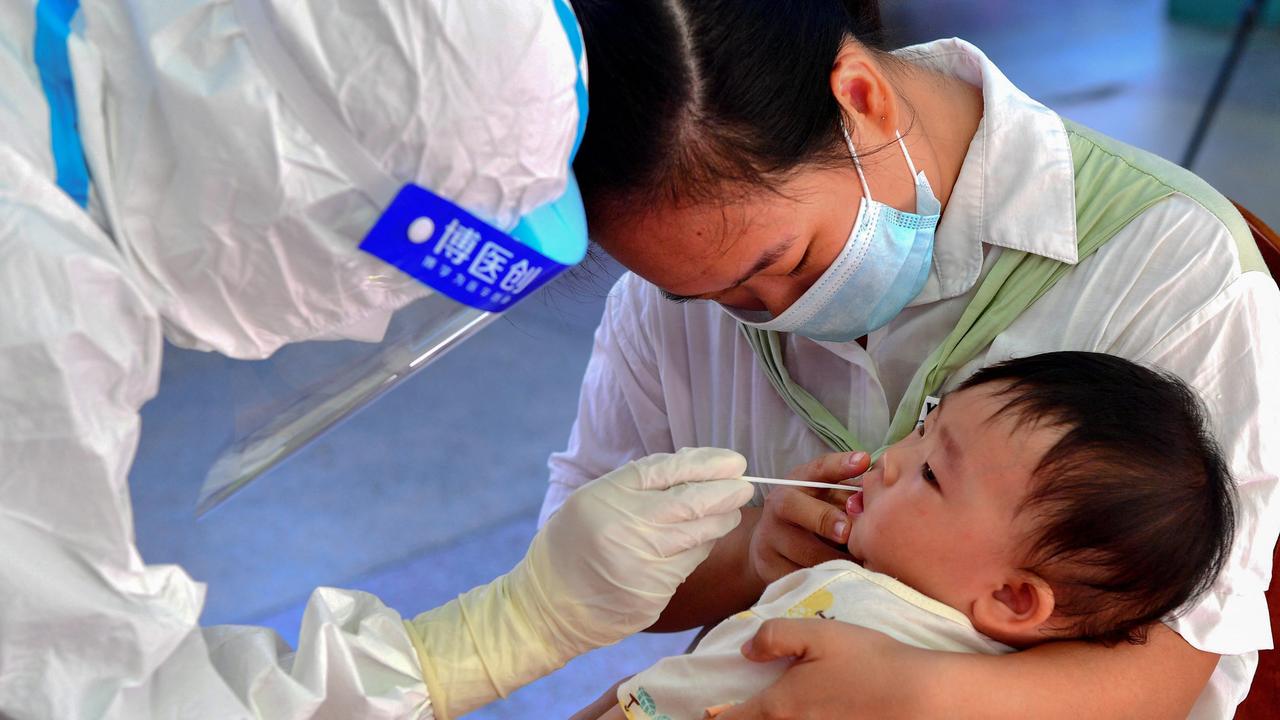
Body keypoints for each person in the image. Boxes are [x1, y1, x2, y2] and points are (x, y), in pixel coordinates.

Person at [1, 2, 758, 718]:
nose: (367, 324)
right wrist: (503, 633)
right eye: (382, 268)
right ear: (291, 175)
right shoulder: (33, 308)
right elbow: (87, 697)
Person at [546, 1, 1280, 716]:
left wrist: (919, 695)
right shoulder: (680, 291)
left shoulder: (1173, 268)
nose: (772, 312)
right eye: (705, 293)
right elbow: (575, 578)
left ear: (861, 98)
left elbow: (1170, 671)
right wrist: (750, 558)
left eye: (789, 259)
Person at [576, 352, 1237, 720]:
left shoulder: (882, 660)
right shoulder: (871, 598)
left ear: (1010, 597)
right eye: (924, 427)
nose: (889, 456)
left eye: (929, 471)